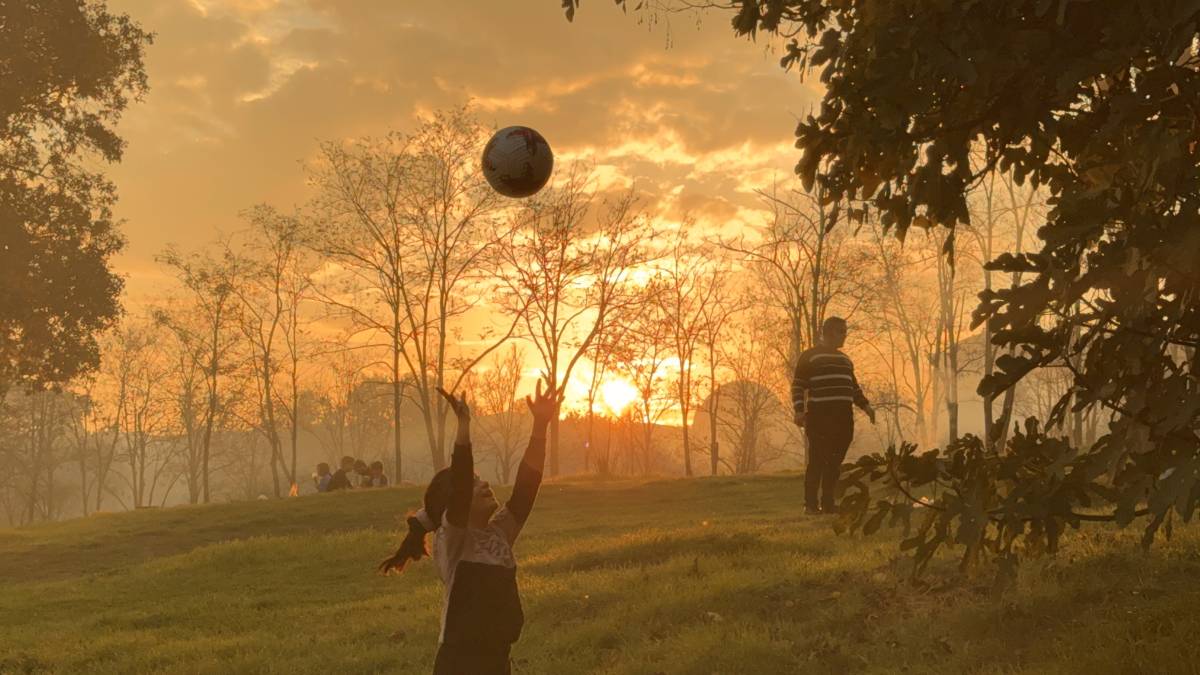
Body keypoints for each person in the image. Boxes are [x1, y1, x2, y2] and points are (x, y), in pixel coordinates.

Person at [379, 378, 561, 675]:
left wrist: (540, 427)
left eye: (480, 479)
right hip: (460, 663)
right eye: (476, 482)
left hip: (498, 661)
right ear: (454, 503)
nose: (484, 483)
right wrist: (463, 429)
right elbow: (461, 486)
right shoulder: (452, 541)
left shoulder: (499, 533)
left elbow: (526, 489)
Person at [792, 316, 875, 515]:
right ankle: (810, 505)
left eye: (845, 331)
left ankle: (828, 504)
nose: (844, 335)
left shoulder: (845, 360)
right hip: (820, 416)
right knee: (817, 460)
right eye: (841, 331)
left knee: (835, 463)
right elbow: (798, 384)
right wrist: (799, 410)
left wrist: (866, 407)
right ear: (828, 332)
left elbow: (853, 388)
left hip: (843, 418)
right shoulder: (810, 356)